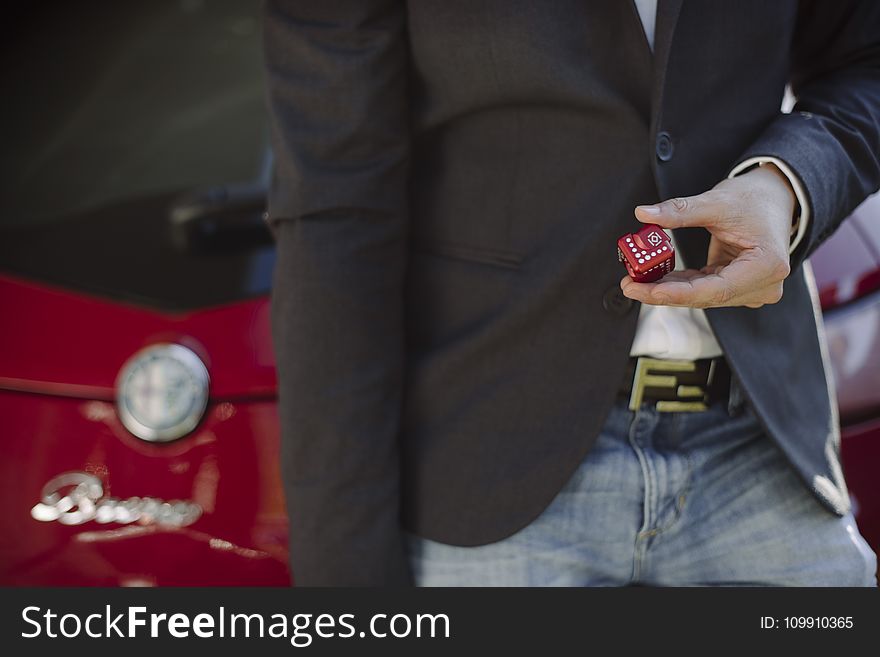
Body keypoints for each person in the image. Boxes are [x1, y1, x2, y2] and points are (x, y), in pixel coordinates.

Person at [263, 0, 880, 586]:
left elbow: (866, 64)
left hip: (759, 445)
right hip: (488, 465)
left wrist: (788, 184)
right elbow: (336, 213)